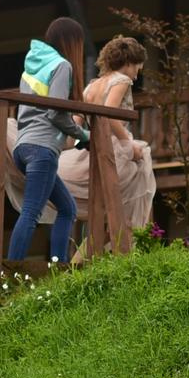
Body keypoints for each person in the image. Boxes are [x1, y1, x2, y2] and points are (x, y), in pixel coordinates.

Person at [58, 34, 155, 251]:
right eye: (137, 67)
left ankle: (84, 257)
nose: (137, 73)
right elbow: (109, 115)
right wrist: (128, 145)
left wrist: (67, 146)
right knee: (137, 181)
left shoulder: (92, 86)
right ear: (128, 62)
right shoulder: (122, 80)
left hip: (91, 147)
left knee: (106, 211)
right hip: (112, 148)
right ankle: (130, 246)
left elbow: (76, 121)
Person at [3, 16, 87, 264]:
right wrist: (83, 135)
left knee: (67, 209)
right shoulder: (62, 66)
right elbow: (56, 113)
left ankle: (59, 266)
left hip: (22, 146)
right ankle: (12, 269)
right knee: (31, 211)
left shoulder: (29, 69)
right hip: (42, 148)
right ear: (71, 42)